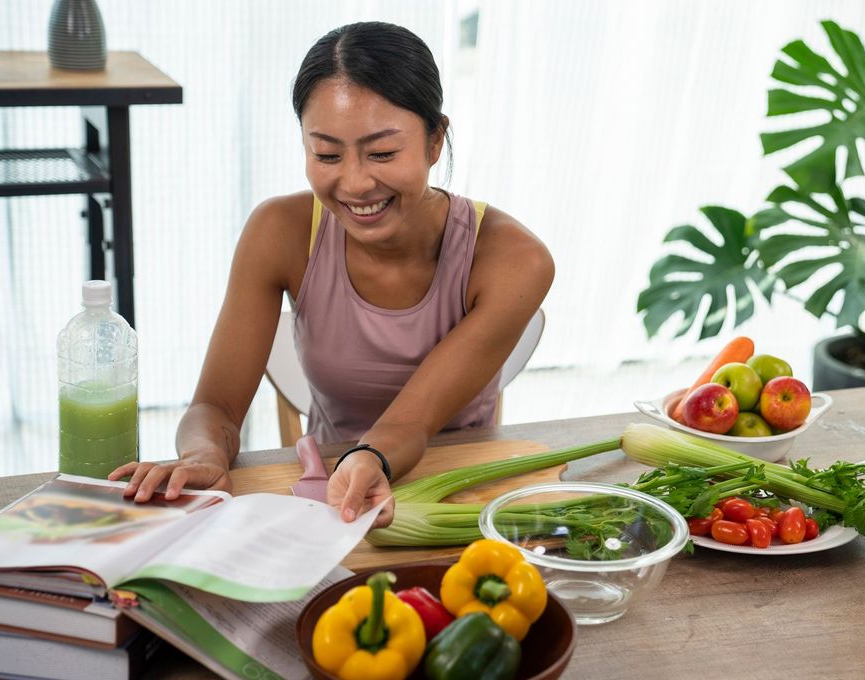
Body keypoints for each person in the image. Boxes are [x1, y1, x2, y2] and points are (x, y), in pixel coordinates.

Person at [108, 21, 553, 529]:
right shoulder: (279, 231)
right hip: (326, 493)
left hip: (460, 496)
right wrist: (202, 456)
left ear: (435, 141)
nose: (356, 183)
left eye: (383, 152)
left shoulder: (513, 258)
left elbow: (410, 422)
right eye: (326, 154)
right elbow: (216, 405)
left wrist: (369, 458)